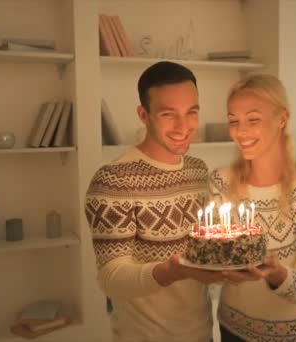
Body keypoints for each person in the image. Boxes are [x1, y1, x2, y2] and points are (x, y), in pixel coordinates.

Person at [85, 61, 224, 342]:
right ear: (143, 114)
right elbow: (110, 278)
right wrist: (171, 272)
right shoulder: (114, 180)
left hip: (203, 333)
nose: (184, 126)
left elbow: (205, 249)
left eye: (191, 112)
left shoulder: (198, 171)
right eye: (168, 114)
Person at [208, 74, 296, 341]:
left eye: (253, 119)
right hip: (233, 331)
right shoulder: (220, 183)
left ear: (282, 118)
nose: (240, 132)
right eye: (233, 121)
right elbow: (215, 267)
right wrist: (217, 269)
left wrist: (278, 275)